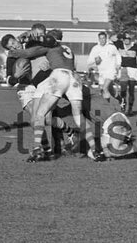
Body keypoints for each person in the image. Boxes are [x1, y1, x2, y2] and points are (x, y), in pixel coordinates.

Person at [7, 29, 104, 162]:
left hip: (59, 77)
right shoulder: (66, 48)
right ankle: (95, 151)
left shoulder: (50, 46)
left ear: (51, 39)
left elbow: (28, 52)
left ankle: (36, 149)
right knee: (78, 117)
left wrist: (14, 51)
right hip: (73, 80)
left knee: (39, 115)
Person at [87, 31, 122, 109]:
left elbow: (118, 56)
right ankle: (119, 99)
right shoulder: (95, 48)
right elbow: (89, 61)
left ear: (106, 39)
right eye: (100, 38)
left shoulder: (111, 47)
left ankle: (108, 107)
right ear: (98, 39)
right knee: (106, 90)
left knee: (104, 88)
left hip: (111, 71)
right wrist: (95, 63)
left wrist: (118, 65)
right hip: (101, 72)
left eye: (103, 38)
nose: (102, 40)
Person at [114, 30, 137, 115]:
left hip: (133, 70)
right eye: (124, 38)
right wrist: (121, 34)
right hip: (123, 70)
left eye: (128, 38)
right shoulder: (119, 45)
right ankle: (123, 108)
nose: (126, 40)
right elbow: (113, 39)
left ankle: (130, 109)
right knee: (123, 91)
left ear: (130, 39)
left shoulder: (135, 46)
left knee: (131, 91)